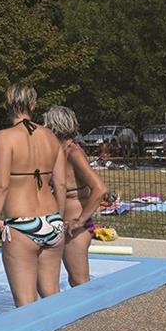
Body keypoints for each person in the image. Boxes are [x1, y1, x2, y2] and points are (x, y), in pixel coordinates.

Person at [0, 84, 68, 307]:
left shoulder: (5, 137)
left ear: (8, 105)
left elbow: (1, 186)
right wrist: (60, 219)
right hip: (53, 220)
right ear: (33, 104)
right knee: (52, 295)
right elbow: (60, 184)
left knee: (25, 304)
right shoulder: (51, 136)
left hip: (22, 225)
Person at [44, 106, 109, 287]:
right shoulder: (57, 153)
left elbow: (99, 188)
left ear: (54, 127)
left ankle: (93, 315)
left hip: (75, 229)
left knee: (79, 281)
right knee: (58, 281)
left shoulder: (74, 153)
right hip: (60, 225)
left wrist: (80, 221)